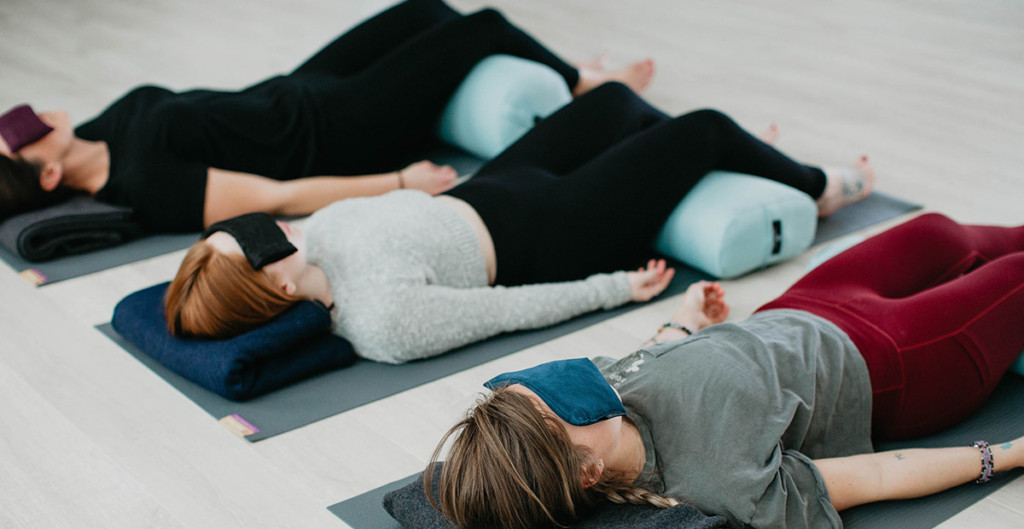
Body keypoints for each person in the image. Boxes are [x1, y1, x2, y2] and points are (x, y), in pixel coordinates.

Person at [426, 212, 1024, 529]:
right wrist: (1007, 455)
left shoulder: (601, 395)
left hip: (805, 306)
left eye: (528, 391)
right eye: (552, 408)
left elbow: (644, 358)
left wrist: (685, 321)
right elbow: (880, 475)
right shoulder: (722, 482)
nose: (551, 387)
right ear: (588, 473)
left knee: (937, 232)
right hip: (896, 364)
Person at [165, 83, 874, 364]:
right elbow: (506, 312)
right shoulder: (379, 322)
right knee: (707, 126)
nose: (267, 228)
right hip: (558, 234)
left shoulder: (311, 236)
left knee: (617, 102)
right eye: (256, 246)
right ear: (276, 292)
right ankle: (817, 190)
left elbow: (333, 209)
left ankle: (729, 165)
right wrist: (614, 289)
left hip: (494, 188)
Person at [0, 0, 656, 232]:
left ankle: (578, 74)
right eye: (26, 137)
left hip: (300, 89)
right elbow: (278, 197)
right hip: (338, 131)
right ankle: (587, 85)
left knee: (426, 7)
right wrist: (398, 183)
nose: (32, 119)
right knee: (482, 24)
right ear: (50, 175)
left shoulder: (92, 133)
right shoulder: (148, 187)